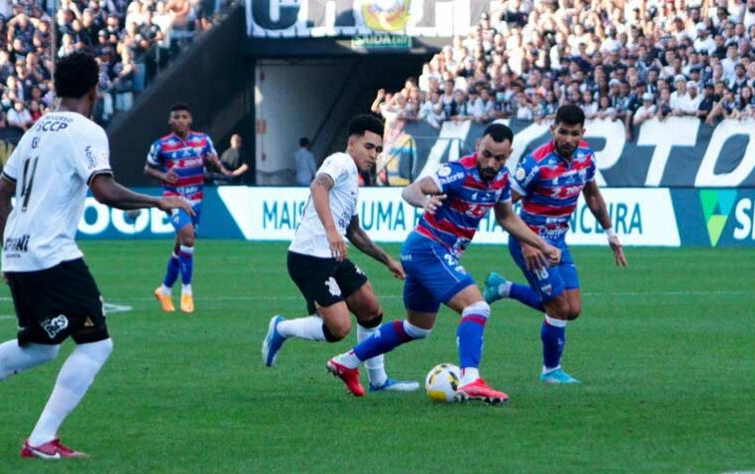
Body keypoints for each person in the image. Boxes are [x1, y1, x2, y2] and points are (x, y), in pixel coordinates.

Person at [0, 51, 193, 459]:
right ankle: (41, 440)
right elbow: (105, 190)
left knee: (40, 347)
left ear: (59, 86)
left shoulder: (36, 129)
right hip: (51, 254)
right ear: (95, 90)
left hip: (23, 254)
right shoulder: (86, 131)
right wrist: (158, 202)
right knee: (96, 345)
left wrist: (9, 253)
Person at [325, 123, 561, 403]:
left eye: (499, 157)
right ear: (478, 147)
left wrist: (541, 244)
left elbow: (507, 218)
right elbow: (412, 190)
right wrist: (424, 202)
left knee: (418, 328)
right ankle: (471, 378)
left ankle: (347, 361)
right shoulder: (458, 171)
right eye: (486, 154)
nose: (490, 162)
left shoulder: (501, 180)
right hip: (428, 248)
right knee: (477, 306)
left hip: (426, 254)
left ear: (508, 155)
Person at [262, 114, 419, 393]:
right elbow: (318, 186)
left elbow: (355, 231)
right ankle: (281, 328)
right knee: (339, 329)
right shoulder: (340, 161)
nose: (374, 155)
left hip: (333, 256)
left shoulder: (353, 180)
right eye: (369, 147)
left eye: (378, 150)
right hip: (309, 257)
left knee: (371, 309)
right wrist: (332, 230)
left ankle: (379, 380)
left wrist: (387, 261)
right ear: (352, 143)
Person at [483, 105, 628, 385]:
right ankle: (551, 370)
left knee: (572, 309)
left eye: (574, 133)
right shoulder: (536, 163)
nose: (568, 139)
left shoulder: (586, 157)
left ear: (582, 133)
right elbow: (504, 208)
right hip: (531, 244)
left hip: (558, 242)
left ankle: (504, 288)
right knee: (558, 308)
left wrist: (610, 233)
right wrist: (527, 242)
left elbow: (593, 196)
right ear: (553, 130)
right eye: (563, 132)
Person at [145, 103, 226, 314]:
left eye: (184, 117)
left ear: (190, 120)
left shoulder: (203, 140)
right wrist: (163, 176)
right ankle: (187, 293)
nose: (180, 120)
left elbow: (216, 165)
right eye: (176, 117)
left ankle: (164, 290)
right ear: (170, 121)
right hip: (173, 199)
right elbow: (148, 168)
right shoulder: (161, 145)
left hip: (196, 199)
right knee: (188, 238)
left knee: (181, 247)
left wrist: (215, 163)